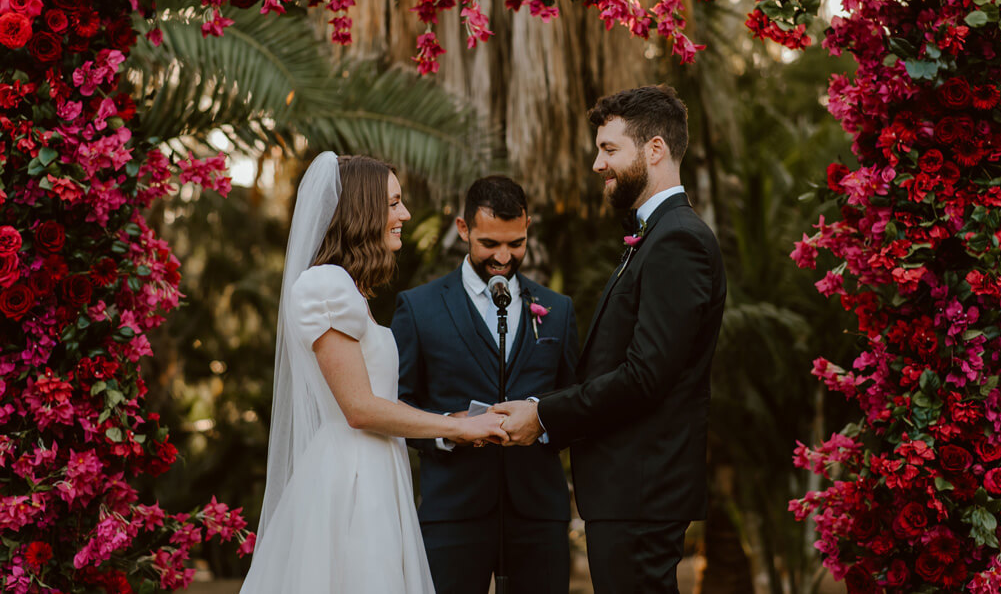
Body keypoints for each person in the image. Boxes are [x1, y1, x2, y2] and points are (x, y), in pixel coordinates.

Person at [240, 153, 508, 594]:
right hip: (351, 480)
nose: (404, 214)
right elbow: (360, 409)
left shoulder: (348, 289)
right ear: (362, 210)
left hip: (377, 466)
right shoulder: (325, 286)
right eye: (394, 203)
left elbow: (372, 397)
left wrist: (454, 422)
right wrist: (454, 429)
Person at [494, 86, 727, 594]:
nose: (597, 163)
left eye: (609, 149)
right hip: (629, 493)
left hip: (640, 492)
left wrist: (543, 414)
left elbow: (646, 376)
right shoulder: (656, 237)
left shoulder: (677, 240)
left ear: (655, 150)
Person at [392, 176, 578, 594]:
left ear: (528, 226)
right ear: (463, 229)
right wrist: (449, 429)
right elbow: (396, 405)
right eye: (490, 243)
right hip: (452, 512)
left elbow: (576, 399)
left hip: (539, 514)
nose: (503, 256)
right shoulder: (418, 309)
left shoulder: (558, 311)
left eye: (516, 243)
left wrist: (542, 419)